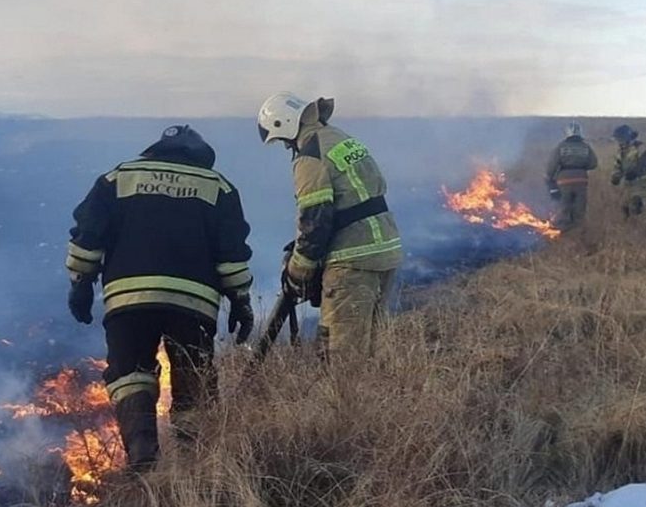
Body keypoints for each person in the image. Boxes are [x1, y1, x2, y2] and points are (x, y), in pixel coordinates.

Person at [65, 124, 255, 471]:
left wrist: (80, 283)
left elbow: (87, 237)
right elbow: (231, 256)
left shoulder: (118, 178)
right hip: (193, 304)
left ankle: (143, 457)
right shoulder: (218, 187)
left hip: (128, 300)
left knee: (130, 375)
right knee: (193, 379)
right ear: (201, 157)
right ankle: (193, 462)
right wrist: (241, 301)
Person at [256, 92, 402, 360]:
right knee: (370, 348)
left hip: (352, 260)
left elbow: (315, 220)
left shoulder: (310, 155)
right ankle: (377, 399)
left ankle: (345, 402)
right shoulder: (341, 138)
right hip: (384, 251)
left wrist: (297, 271)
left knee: (341, 355)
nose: (288, 147)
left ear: (284, 124)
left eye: (284, 141)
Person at [546, 121, 598, 231]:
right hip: (581, 181)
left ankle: (564, 233)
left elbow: (552, 165)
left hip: (564, 182)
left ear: (567, 133)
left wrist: (550, 178)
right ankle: (578, 233)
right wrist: (581, 167)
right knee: (579, 209)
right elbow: (593, 164)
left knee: (564, 207)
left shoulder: (561, 147)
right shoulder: (585, 147)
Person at [610, 124, 646, 218]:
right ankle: (629, 227)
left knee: (636, 202)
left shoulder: (641, 147)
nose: (618, 142)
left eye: (620, 139)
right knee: (624, 206)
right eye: (617, 140)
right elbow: (617, 165)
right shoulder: (621, 152)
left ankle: (642, 224)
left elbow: (645, 160)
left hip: (642, 181)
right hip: (628, 183)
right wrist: (615, 176)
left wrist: (635, 172)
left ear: (626, 137)